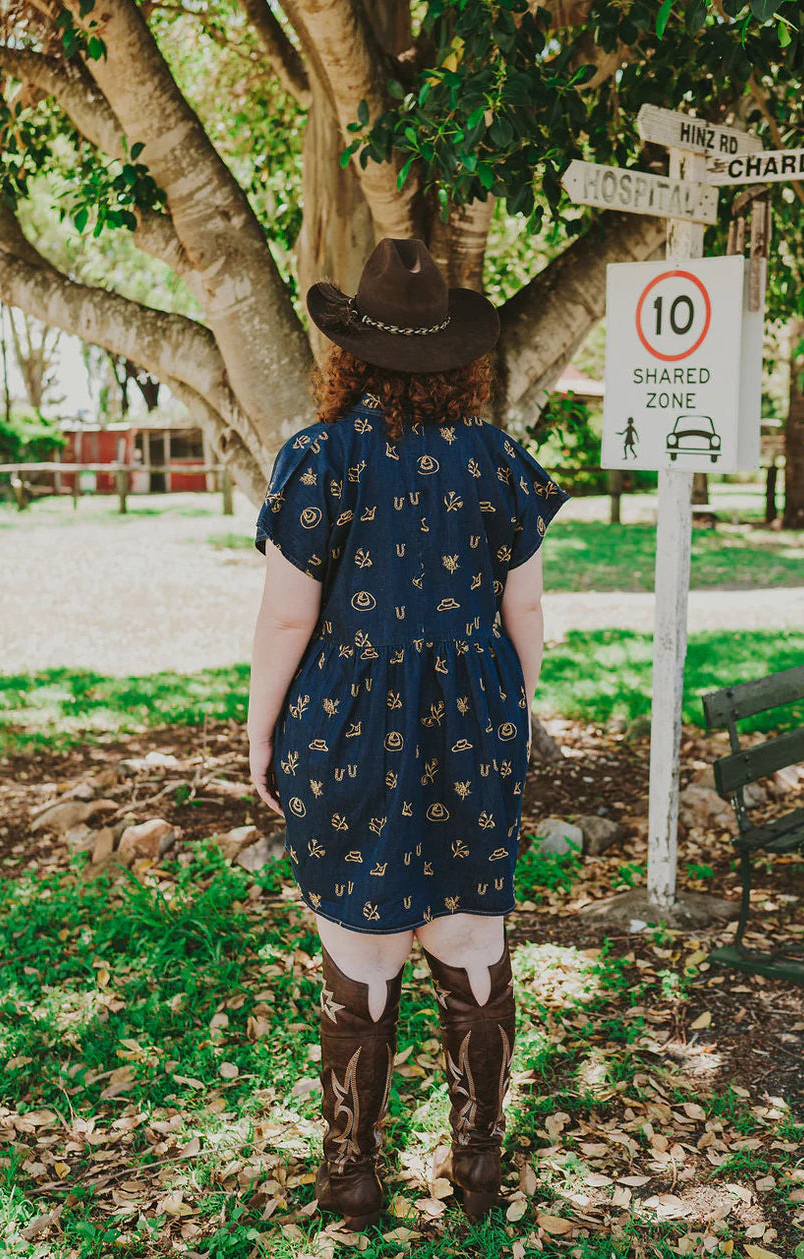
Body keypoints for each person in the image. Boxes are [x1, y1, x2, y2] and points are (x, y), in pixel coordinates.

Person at [247, 237, 571, 1230]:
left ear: (351, 353)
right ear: (459, 359)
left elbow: (288, 618)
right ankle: (477, 1171)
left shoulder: (321, 453)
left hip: (344, 724)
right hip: (474, 716)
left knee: (363, 948)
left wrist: (259, 730)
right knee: (474, 939)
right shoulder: (500, 461)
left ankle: (353, 1172)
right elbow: (528, 616)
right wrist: (509, 711)